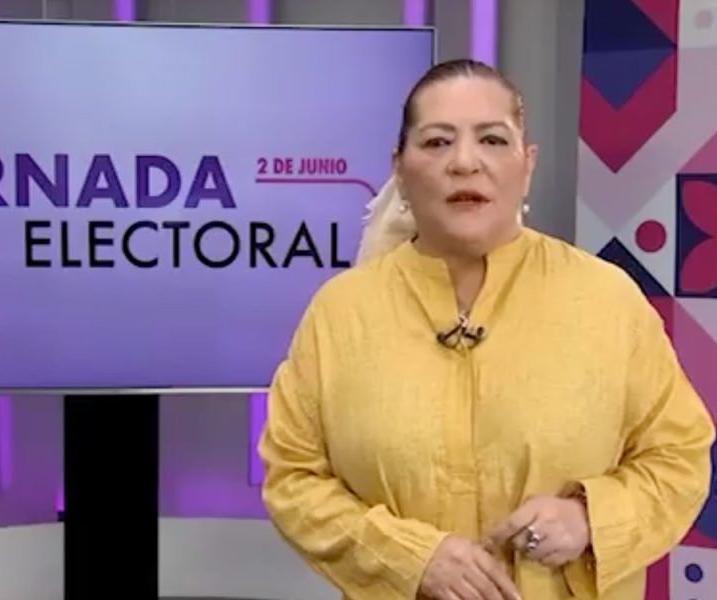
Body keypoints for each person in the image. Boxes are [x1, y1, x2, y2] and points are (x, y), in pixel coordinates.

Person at [257, 58, 715, 600]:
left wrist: (590, 518)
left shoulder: (607, 300)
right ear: (399, 167)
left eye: (493, 140)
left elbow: (679, 456)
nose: (464, 162)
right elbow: (293, 477)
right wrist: (407, 557)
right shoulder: (340, 313)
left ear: (527, 163)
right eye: (437, 142)